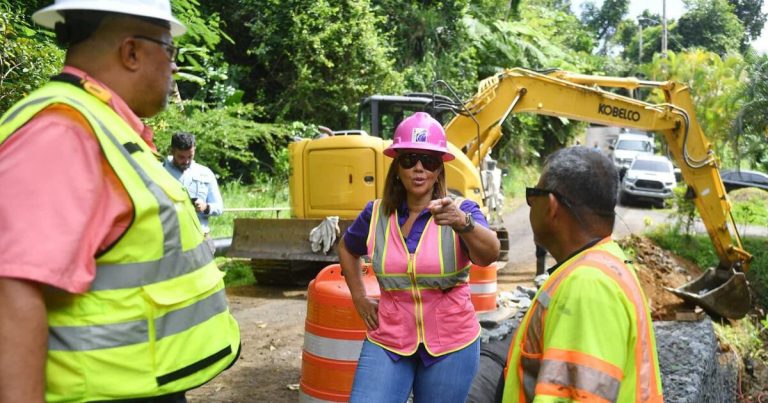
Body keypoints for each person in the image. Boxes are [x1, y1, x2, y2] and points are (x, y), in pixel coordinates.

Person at [0, 1, 240, 402]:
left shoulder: (103, 126)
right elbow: (11, 291)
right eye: (170, 50)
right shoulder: (63, 131)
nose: (174, 67)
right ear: (131, 52)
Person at [338, 112, 501, 402]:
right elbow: (347, 249)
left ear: (439, 170)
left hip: (451, 344)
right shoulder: (376, 213)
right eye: (409, 159)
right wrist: (360, 298)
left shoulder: (462, 210)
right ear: (397, 167)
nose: (419, 168)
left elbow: (490, 253)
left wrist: (463, 223)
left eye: (429, 161)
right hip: (389, 339)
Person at [501, 147, 663, 402]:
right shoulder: (607, 261)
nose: (530, 205)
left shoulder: (587, 287)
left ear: (551, 206)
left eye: (533, 196)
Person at [163, 132, 224, 253]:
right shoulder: (159, 171)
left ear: (194, 150)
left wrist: (205, 207)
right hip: (169, 240)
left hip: (201, 238)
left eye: (190, 156)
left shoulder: (205, 173)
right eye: (181, 157)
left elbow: (219, 208)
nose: (186, 161)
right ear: (172, 151)